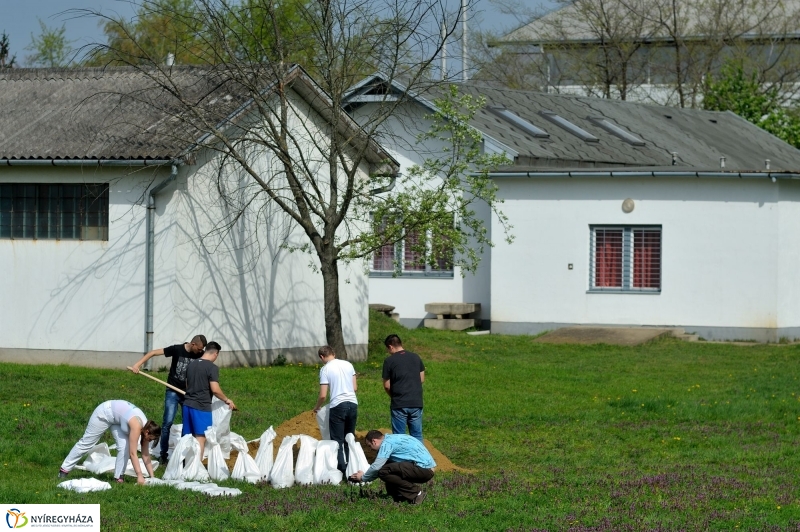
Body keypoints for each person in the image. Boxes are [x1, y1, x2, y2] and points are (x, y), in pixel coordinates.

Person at [129, 334, 207, 462]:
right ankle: (163, 455)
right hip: (172, 391)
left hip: (188, 394)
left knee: (187, 425)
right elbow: (154, 352)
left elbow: (209, 361)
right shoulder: (177, 349)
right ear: (193, 344)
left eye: (202, 349)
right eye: (199, 349)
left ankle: (181, 456)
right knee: (167, 423)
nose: (200, 352)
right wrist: (138, 364)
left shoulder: (200, 355)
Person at [59, 400, 161, 485]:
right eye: (150, 439)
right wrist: (139, 475)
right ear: (147, 432)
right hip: (105, 413)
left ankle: (118, 477)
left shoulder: (147, 428)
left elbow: (145, 454)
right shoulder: (137, 426)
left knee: (124, 447)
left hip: (118, 420)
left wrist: (152, 477)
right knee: (87, 442)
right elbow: (133, 453)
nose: (150, 441)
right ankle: (64, 470)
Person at [349, 430, 435, 505]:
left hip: (424, 470)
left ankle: (416, 493)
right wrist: (366, 478)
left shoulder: (387, 444)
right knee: (386, 468)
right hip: (423, 468)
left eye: (369, 446)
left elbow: (377, 467)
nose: (371, 449)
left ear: (374, 441)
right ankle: (397, 496)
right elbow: (379, 467)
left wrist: (363, 477)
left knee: (384, 470)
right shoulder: (391, 439)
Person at [182, 341, 236, 460]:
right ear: (215, 354)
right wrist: (227, 400)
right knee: (200, 438)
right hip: (201, 407)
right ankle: (196, 468)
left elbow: (187, 385)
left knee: (187, 437)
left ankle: (185, 465)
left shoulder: (191, 364)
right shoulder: (212, 367)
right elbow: (215, 390)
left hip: (186, 405)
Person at [312, 345, 358, 475]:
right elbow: (354, 387)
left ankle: (342, 470)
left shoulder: (325, 369)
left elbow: (322, 395)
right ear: (334, 353)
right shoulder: (348, 365)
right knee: (349, 437)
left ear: (322, 357)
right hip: (353, 403)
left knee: (337, 440)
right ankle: (352, 466)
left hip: (338, 406)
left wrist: (317, 407)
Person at [382, 334, 426, 442]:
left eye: (388, 349)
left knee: (399, 438)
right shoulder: (416, 357)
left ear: (390, 346)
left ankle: (402, 459)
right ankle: (419, 458)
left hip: (399, 404)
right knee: (417, 436)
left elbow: (387, 385)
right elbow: (421, 379)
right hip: (416, 402)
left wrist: (394, 396)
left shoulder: (389, 361)